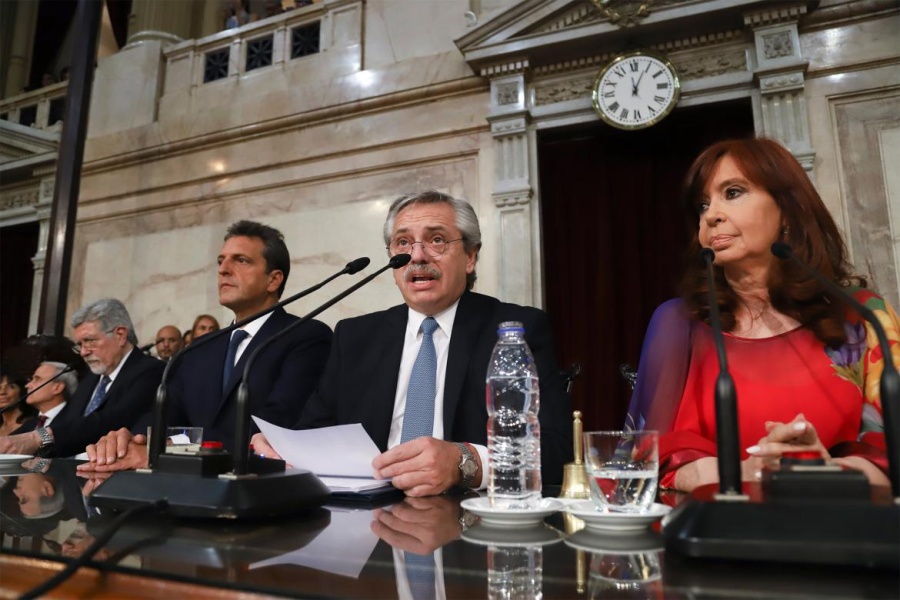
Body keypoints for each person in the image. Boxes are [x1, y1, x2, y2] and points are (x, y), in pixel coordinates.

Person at [248, 191, 572, 497]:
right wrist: (284, 448)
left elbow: (556, 451)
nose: (417, 256)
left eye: (437, 240)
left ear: (470, 257)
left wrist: (465, 462)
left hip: (470, 523)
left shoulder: (514, 330)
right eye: (403, 243)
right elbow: (315, 432)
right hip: (367, 523)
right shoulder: (355, 336)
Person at [625, 137, 895, 492]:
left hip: (845, 535)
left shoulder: (863, 315)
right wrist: (745, 472)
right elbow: (637, 465)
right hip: (712, 535)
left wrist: (823, 468)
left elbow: (890, 457)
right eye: (702, 204)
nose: (711, 215)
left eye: (733, 192)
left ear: (787, 209)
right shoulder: (679, 323)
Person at [79, 220, 332, 468]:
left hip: (256, 489)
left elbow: (273, 426)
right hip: (182, 489)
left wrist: (163, 447)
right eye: (221, 261)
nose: (223, 270)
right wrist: (133, 441)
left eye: (241, 260)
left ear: (273, 280)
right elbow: (166, 415)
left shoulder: (306, 336)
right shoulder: (201, 348)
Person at [0, 299, 164, 458]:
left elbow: (113, 421)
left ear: (120, 335)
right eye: (80, 344)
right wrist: (20, 445)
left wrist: (38, 438)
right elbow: (68, 425)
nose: (84, 352)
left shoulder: (151, 371)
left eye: (90, 341)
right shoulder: (91, 379)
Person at [19, 362, 78, 431]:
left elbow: (46, 440)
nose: (27, 385)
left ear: (57, 388)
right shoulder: (28, 425)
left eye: (37, 379)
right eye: (32, 379)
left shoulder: (74, 420)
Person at [0, 365, 34, 436]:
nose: (2, 392)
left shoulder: (36, 423)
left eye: (11, 386)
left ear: (21, 391)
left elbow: (48, 442)